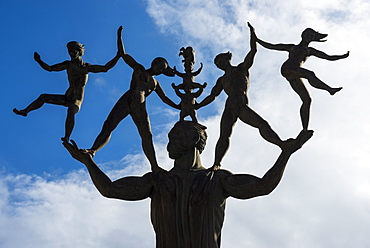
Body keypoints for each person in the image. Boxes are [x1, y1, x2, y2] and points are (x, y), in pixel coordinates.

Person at [63, 121, 313, 248]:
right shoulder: (158, 180)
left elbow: (262, 186)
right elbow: (110, 190)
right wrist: (88, 163)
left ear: (195, 138)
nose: (170, 141)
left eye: (177, 135)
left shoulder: (217, 179)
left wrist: (285, 154)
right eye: (170, 137)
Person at [84, 26, 179, 173]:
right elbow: (123, 54)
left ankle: (154, 166)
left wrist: (179, 106)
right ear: (154, 63)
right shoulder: (139, 69)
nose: (160, 68)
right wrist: (119, 36)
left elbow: (165, 98)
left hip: (139, 104)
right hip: (128, 98)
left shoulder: (155, 83)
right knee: (109, 125)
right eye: (159, 64)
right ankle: (93, 150)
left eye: (163, 67)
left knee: (146, 134)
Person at [197, 22, 289, 170]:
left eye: (221, 60)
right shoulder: (221, 80)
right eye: (217, 63)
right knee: (224, 135)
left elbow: (253, 51)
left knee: (261, 124)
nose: (220, 64)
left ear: (227, 59)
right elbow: (212, 96)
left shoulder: (241, 69)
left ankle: (281, 144)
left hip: (239, 100)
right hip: (230, 104)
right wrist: (198, 105)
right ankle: (216, 164)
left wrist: (253, 35)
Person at [13, 31, 121, 142]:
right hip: (67, 97)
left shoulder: (86, 67)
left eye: (73, 51)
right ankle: (25, 111)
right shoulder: (68, 64)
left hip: (76, 100)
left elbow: (105, 68)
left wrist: (118, 56)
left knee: (71, 111)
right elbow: (50, 68)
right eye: (69, 51)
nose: (71, 53)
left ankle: (67, 137)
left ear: (79, 52)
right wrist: (39, 61)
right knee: (43, 97)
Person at [251, 24, 349, 130]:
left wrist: (342, 56)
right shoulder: (292, 47)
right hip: (288, 68)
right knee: (309, 74)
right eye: (307, 35)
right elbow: (273, 46)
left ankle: (304, 129)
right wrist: (256, 39)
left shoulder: (310, 51)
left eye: (311, 36)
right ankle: (330, 89)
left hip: (295, 74)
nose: (309, 37)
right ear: (302, 35)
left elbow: (328, 57)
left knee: (307, 100)